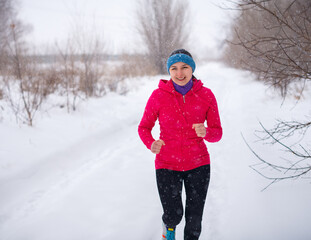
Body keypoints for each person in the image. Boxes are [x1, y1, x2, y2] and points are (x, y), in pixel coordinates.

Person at [138, 49, 222, 240]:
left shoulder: (206, 95)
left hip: (199, 164)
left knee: (194, 218)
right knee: (173, 214)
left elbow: (217, 133)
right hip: (167, 164)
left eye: (184, 67)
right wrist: (151, 144)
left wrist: (206, 132)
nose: (179, 73)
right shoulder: (158, 96)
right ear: (169, 71)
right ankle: (168, 230)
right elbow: (143, 127)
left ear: (192, 69)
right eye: (174, 68)